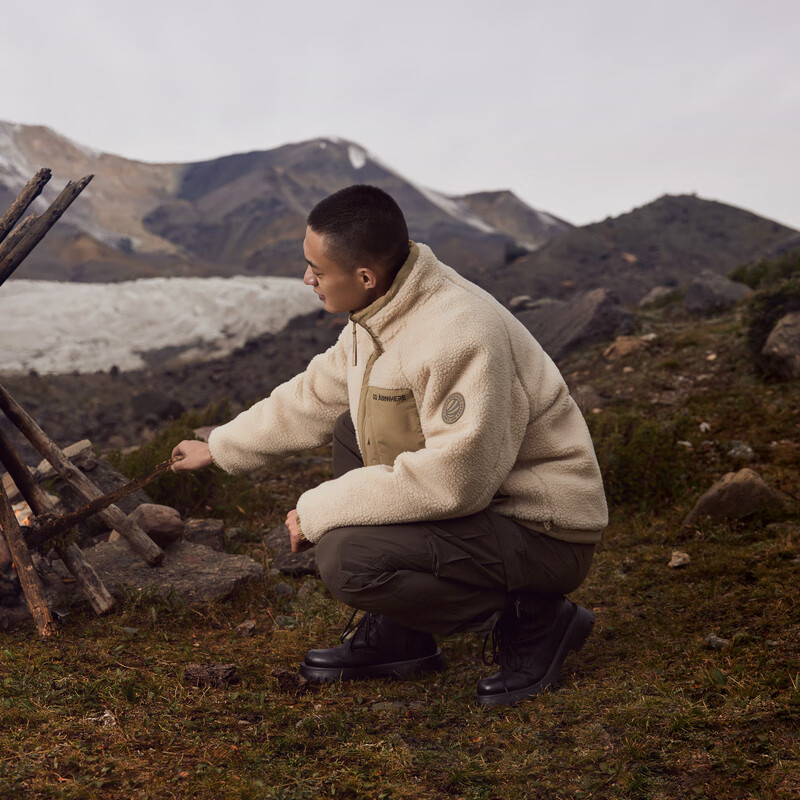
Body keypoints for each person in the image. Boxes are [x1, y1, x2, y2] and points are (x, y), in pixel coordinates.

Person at [172, 184, 608, 706]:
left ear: (364, 276)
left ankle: (536, 618)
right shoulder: (384, 309)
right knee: (352, 429)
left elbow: (457, 483)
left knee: (346, 557)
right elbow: (313, 394)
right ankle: (406, 634)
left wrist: (318, 509)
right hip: (490, 506)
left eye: (317, 269)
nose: (306, 278)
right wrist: (219, 447)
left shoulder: (458, 332)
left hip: (542, 528)